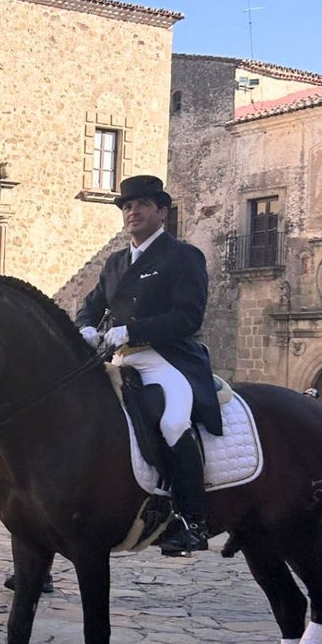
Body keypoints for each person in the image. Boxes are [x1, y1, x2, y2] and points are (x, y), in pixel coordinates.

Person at [74, 174, 221, 555]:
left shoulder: (182, 256)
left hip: (165, 358)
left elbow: (189, 317)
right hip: (121, 359)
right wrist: (87, 328)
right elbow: (90, 305)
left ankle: (193, 520)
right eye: (126, 206)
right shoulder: (116, 262)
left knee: (173, 421)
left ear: (161, 211)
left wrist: (133, 331)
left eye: (141, 205)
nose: (132, 212)